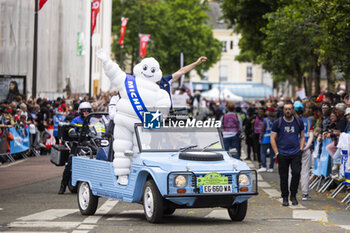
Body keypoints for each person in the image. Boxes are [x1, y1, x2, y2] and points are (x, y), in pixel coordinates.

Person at [270, 100, 305, 206]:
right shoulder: (278, 122)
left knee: (296, 173)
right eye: (286, 109)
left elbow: (302, 136)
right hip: (282, 153)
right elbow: (272, 138)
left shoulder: (298, 121)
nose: (288, 111)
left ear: (293, 110)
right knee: (283, 176)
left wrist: (301, 149)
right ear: (283, 110)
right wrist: (276, 153)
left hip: (295, 153)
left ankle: (293, 195)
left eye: (290, 109)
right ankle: (285, 196)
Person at [58, 102, 92, 194]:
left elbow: (101, 129)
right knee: (70, 163)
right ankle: (63, 185)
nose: (86, 112)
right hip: (78, 143)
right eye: (84, 111)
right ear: (80, 111)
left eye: (87, 110)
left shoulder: (93, 120)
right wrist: (73, 133)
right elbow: (71, 129)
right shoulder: (76, 120)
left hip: (90, 143)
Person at [293, 101, 314, 201]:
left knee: (291, 171)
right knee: (305, 171)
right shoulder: (309, 121)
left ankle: (291, 192)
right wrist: (306, 147)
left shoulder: (290, 121)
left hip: (293, 149)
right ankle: (305, 194)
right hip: (305, 149)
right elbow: (311, 136)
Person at [258, 107, 277, 172]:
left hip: (265, 139)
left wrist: (260, 138)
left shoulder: (265, 120)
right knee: (272, 154)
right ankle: (271, 167)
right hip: (274, 139)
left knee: (263, 153)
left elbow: (262, 130)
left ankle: (264, 166)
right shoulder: (277, 120)